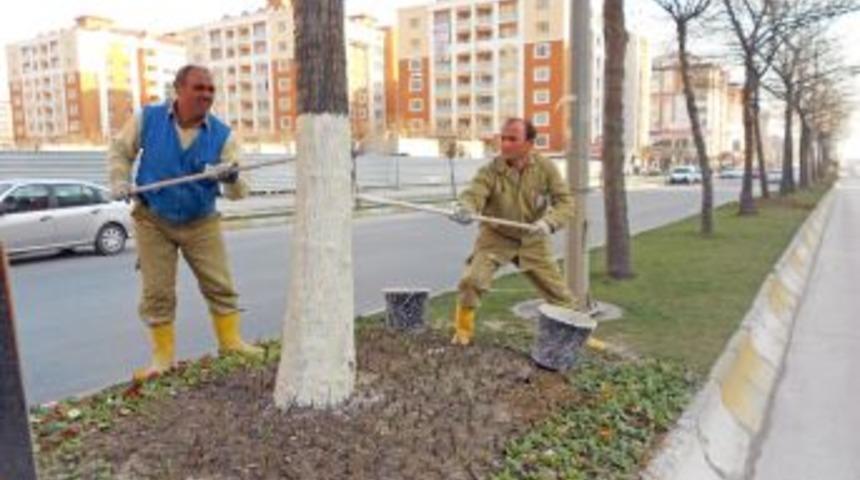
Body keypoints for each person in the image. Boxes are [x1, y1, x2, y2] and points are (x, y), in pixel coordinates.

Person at [108, 64, 262, 379]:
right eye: (199, 88)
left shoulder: (223, 136)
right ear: (178, 89)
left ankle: (230, 341)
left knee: (220, 283)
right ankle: (162, 357)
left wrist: (231, 176)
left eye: (210, 89)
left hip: (200, 221)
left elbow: (240, 192)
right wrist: (119, 180)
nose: (206, 94)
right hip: (153, 219)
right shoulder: (147, 119)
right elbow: (120, 151)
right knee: (157, 291)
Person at [449, 118, 580, 346]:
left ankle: (569, 339)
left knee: (561, 297)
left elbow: (566, 203)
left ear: (529, 143)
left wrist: (549, 223)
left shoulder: (546, 168)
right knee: (472, 281)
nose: (505, 144)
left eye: (513, 139)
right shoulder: (490, 171)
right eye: (503, 138)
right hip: (495, 237)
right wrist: (464, 209)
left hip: (533, 239)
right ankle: (462, 332)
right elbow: (474, 194)